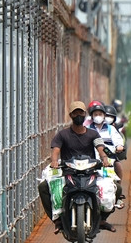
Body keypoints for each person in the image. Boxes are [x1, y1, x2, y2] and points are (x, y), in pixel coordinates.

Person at [39, 100, 117, 233]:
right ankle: (57, 221)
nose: (78, 115)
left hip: (90, 171)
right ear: (71, 115)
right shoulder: (63, 134)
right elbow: (56, 150)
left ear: (85, 113)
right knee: (43, 187)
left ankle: (102, 219)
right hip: (69, 171)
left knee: (117, 188)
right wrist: (54, 161)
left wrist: (104, 158)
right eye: (75, 113)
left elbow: (100, 148)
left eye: (81, 112)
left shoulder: (93, 134)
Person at [86, 101, 126, 202]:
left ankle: (117, 194)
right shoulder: (87, 129)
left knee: (117, 166)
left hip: (108, 156)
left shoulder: (110, 129)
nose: (98, 116)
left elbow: (117, 139)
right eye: (95, 114)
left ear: (104, 116)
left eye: (100, 114)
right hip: (91, 157)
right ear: (92, 116)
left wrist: (119, 146)